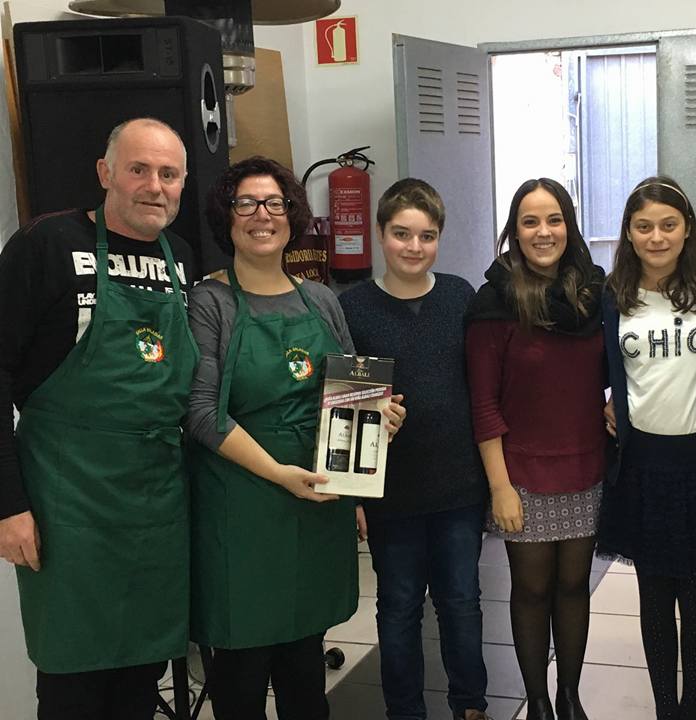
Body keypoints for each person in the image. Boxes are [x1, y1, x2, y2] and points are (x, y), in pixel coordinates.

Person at [184, 156, 405, 720]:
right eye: (247, 204)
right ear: (227, 217)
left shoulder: (321, 299)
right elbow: (201, 413)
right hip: (242, 512)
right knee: (242, 679)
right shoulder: (209, 303)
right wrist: (279, 473)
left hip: (318, 508)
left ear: (292, 215)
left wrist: (378, 426)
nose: (263, 215)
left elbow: (352, 396)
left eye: (275, 203)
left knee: (306, 674)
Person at [0, 117, 197, 719]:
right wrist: (8, 504)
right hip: (69, 502)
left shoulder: (180, 256)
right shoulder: (46, 245)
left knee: (142, 672)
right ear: (105, 173)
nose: (154, 186)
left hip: (156, 502)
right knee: (72, 678)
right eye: (139, 169)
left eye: (169, 174)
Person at [339, 178, 492, 720]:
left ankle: (470, 705)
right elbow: (345, 413)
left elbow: (483, 384)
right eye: (401, 233)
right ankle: (404, 711)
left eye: (426, 236)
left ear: (439, 239)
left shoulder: (459, 296)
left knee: (462, 603)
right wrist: (352, 495)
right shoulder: (352, 308)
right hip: (390, 494)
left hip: (457, 486)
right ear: (381, 235)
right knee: (398, 608)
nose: (413, 246)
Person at [465, 178, 606, 720]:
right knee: (530, 591)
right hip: (520, 474)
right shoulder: (495, 302)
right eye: (530, 221)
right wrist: (500, 487)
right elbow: (484, 405)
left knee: (574, 588)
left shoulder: (593, 293)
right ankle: (539, 703)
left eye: (554, 220)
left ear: (568, 226)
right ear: (515, 231)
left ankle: (569, 697)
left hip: (586, 465)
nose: (543, 232)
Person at [596, 177, 696, 720]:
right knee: (653, 598)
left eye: (668, 225)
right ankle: (664, 709)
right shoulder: (613, 296)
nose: (657, 237)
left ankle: (693, 706)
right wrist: (601, 405)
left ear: (687, 229)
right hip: (643, 464)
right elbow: (591, 370)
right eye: (644, 226)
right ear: (629, 233)